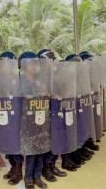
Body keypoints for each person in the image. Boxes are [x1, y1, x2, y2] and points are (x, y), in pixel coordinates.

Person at [36, 49, 67, 183]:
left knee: (54, 139)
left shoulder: (56, 74)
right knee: (44, 141)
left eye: (52, 59)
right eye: (48, 59)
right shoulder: (37, 76)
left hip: (55, 110)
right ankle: (43, 168)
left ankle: (50, 166)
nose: (50, 61)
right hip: (42, 112)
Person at [19, 51, 49, 189]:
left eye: (36, 64)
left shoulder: (39, 79)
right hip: (27, 120)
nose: (35, 66)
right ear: (24, 65)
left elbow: (46, 94)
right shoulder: (20, 80)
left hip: (41, 117)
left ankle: (37, 177)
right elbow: (22, 97)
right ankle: (28, 178)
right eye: (32, 64)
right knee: (31, 151)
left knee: (41, 148)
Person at [0, 51, 24, 186]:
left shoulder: (19, 78)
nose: (4, 66)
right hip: (4, 115)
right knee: (7, 143)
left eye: (7, 63)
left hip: (16, 116)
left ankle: (18, 171)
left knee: (16, 144)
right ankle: (13, 167)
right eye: (2, 64)